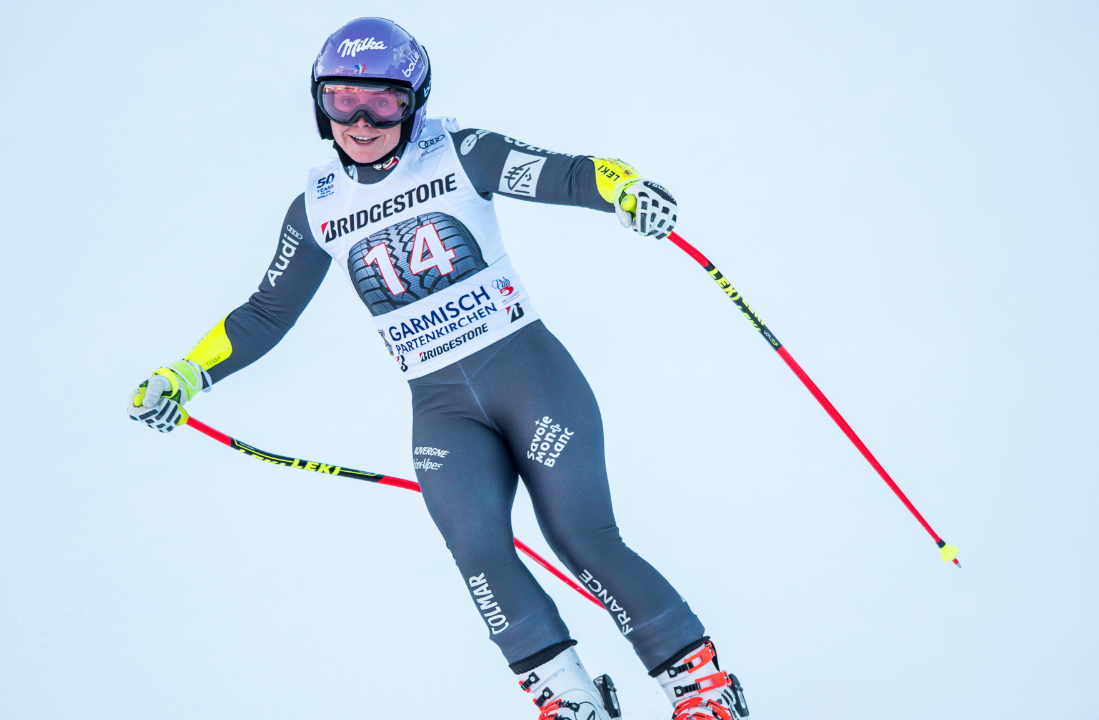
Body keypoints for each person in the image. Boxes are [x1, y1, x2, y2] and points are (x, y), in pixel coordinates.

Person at [127, 16, 750, 720]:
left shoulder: (462, 153)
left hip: (527, 373)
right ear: (318, 104)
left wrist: (626, 190)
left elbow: (569, 174)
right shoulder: (317, 209)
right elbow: (265, 314)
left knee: (582, 538)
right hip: (443, 408)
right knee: (476, 550)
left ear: (414, 101)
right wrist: (186, 374)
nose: (361, 120)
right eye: (341, 101)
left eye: (383, 102)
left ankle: (704, 689)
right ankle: (570, 700)